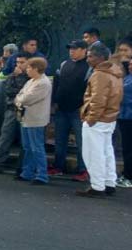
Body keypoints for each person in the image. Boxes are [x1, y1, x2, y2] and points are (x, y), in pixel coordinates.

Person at [76, 43, 123, 198]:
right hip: (110, 117)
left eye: (90, 56)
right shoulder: (115, 72)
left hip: (97, 119)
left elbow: (97, 99)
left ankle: (97, 186)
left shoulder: (99, 74)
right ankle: (109, 182)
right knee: (106, 151)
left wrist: (90, 118)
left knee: (93, 153)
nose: (88, 59)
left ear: (100, 57)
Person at [50, 40, 90, 179]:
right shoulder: (64, 64)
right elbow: (56, 83)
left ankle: (83, 169)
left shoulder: (89, 67)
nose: (71, 51)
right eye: (70, 48)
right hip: (62, 108)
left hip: (78, 110)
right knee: (60, 140)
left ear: (84, 50)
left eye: (75, 48)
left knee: (82, 142)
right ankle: (58, 166)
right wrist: (54, 102)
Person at [0, 52, 30, 174]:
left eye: (22, 62)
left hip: (26, 110)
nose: (19, 65)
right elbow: (8, 90)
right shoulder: (12, 75)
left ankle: (22, 167)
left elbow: (25, 91)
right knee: (5, 136)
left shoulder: (31, 77)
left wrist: (20, 78)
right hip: (11, 108)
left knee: (24, 140)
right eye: (17, 62)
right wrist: (16, 79)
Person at [14, 57, 52, 185]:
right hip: (26, 118)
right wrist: (20, 99)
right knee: (28, 147)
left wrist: (20, 99)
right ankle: (27, 172)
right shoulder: (31, 81)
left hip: (36, 119)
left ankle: (42, 174)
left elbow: (26, 98)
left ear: (36, 68)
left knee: (37, 147)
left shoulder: (43, 83)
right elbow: (20, 95)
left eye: (29, 67)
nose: (27, 70)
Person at [114, 37, 132, 188]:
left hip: (129, 116)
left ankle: (129, 176)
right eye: (120, 50)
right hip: (124, 116)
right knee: (126, 147)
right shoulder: (125, 73)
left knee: (129, 148)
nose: (122, 53)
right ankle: (126, 174)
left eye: (125, 50)